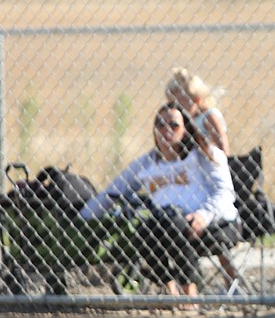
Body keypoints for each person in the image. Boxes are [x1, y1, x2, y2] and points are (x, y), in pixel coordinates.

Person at [80, 103, 240, 300]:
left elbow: (225, 193)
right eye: (161, 124)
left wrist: (203, 216)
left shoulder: (204, 154)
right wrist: (81, 218)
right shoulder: (147, 162)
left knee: (173, 223)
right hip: (166, 224)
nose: (166, 130)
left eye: (174, 125)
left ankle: (190, 296)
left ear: (186, 129)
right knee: (145, 230)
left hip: (214, 224)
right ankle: (171, 293)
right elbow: (112, 193)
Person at [166, 67, 230, 154]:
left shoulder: (209, 117)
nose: (175, 109)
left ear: (197, 100)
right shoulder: (182, 120)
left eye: (180, 104)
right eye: (172, 104)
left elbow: (223, 147)